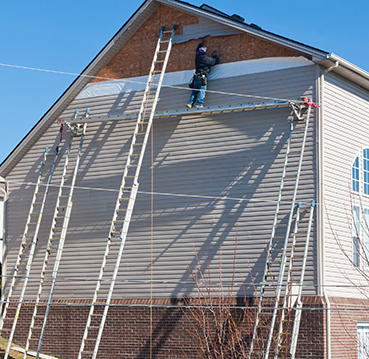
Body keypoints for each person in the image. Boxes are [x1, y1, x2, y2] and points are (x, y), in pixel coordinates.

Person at [187, 40, 219, 109]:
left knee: (194, 91)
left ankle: (190, 103)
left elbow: (196, 51)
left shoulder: (197, 58)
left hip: (196, 78)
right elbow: (215, 61)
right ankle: (199, 104)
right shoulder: (207, 59)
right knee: (202, 91)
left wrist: (200, 44)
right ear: (205, 53)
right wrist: (214, 55)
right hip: (202, 78)